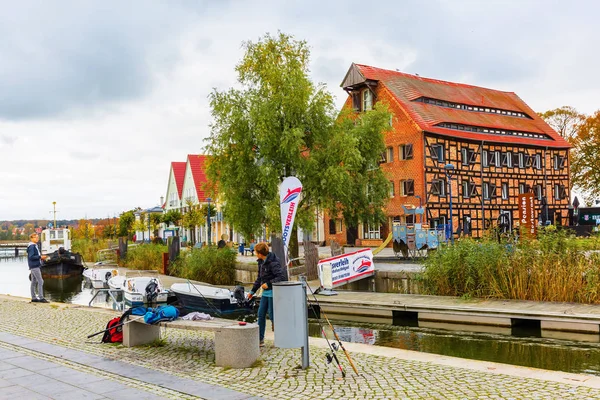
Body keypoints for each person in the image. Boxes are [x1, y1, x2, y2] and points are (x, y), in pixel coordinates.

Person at [247, 242, 285, 347]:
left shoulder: (273, 262)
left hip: (273, 293)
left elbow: (281, 277)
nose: (255, 254)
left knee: (273, 317)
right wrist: (252, 292)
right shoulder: (261, 262)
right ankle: (260, 340)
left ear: (260, 253)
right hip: (265, 294)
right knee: (260, 315)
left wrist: (268, 284)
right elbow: (259, 278)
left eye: (256, 252)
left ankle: (280, 339)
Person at [27, 233, 49, 303]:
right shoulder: (32, 247)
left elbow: (33, 256)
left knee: (33, 281)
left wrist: (41, 258)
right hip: (35, 266)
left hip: (34, 265)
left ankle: (34, 298)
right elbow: (31, 257)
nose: (37, 238)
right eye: (35, 237)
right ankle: (41, 297)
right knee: (40, 281)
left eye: (37, 237)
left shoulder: (34, 246)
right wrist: (40, 257)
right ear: (32, 238)